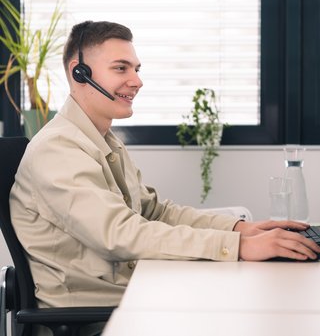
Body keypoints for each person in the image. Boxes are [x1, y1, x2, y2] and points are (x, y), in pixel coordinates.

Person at [9, 21, 320, 334]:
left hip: (129, 292)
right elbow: (120, 235)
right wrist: (238, 246)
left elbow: (155, 211)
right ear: (80, 73)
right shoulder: (58, 149)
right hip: (96, 314)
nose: (137, 81)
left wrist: (241, 229)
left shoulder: (101, 140)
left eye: (137, 69)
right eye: (121, 68)